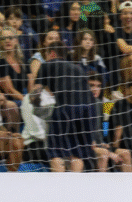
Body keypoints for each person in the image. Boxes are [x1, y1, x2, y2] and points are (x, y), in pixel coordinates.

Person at [34, 43, 95, 173]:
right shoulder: (77, 68)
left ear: (52, 53)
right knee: (77, 154)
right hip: (88, 109)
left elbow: (35, 91)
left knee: (56, 153)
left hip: (66, 107)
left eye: (46, 55)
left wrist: (35, 105)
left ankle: (58, 190)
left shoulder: (46, 65)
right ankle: (73, 189)